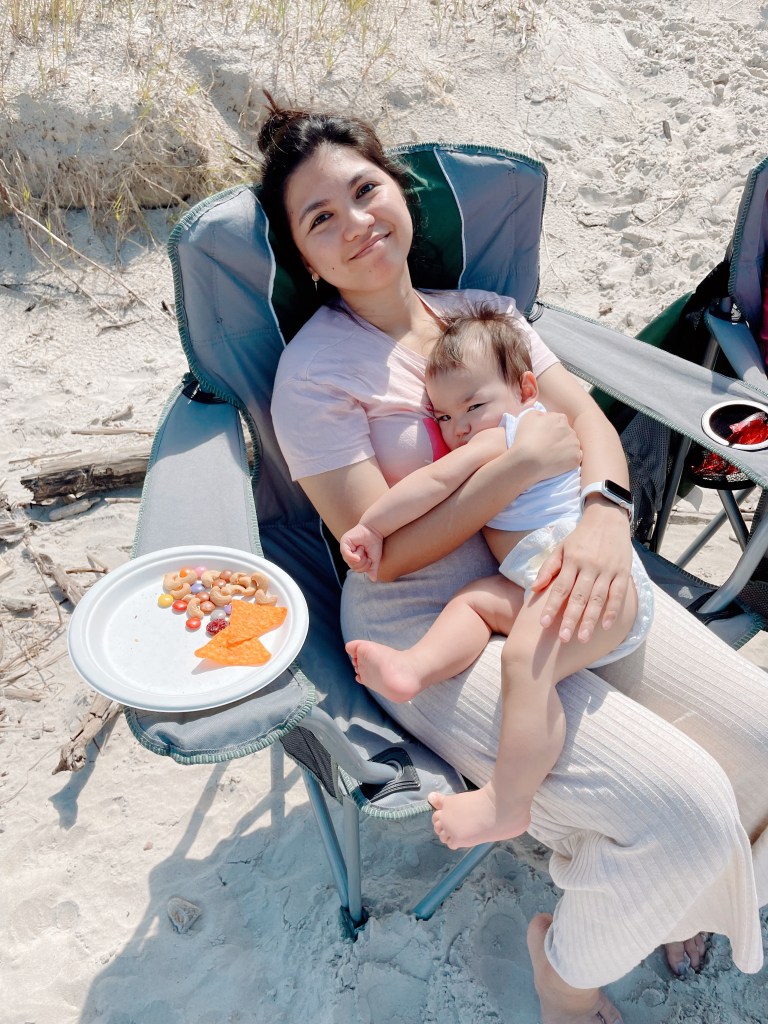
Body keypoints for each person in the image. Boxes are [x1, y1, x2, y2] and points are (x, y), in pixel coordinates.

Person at [262, 93, 768, 1024]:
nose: (355, 223)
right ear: (304, 258)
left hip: (562, 560)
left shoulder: (485, 315)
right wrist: (517, 469)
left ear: (398, 191)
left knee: (764, 744)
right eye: (319, 219)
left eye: (364, 191)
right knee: (686, 808)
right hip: (429, 617)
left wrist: (607, 516)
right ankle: (565, 978)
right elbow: (382, 553)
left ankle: (679, 900)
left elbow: (585, 426)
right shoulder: (315, 374)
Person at [339, 304, 654, 850]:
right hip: (539, 581)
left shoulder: (511, 433)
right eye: (442, 417)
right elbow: (439, 485)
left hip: (588, 583)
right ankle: (415, 668)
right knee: (473, 601)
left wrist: (371, 526)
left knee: (523, 661)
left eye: (473, 406)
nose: (459, 427)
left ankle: (507, 802)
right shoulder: (499, 434)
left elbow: (433, 484)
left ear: (526, 389)